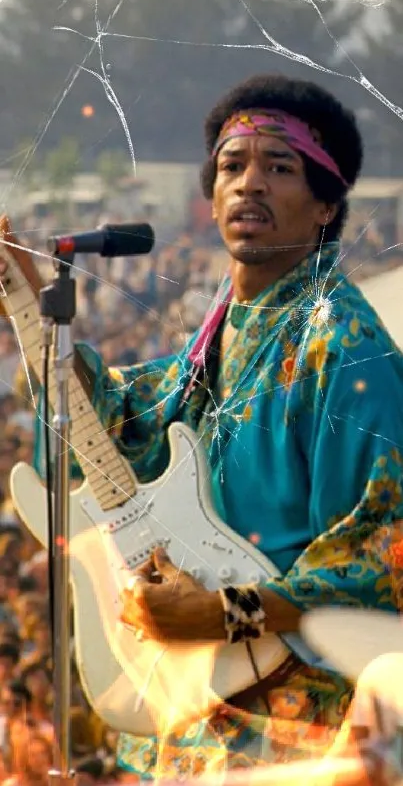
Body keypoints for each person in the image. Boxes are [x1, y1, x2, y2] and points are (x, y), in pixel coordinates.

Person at [2, 73, 403, 778]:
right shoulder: (223, 327)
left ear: (324, 204)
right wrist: (39, 323)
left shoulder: (343, 348)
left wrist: (229, 613)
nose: (248, 183)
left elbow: (385, 553)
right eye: (231, 165)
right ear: (209, 195)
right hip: (187, 714)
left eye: (278, 167)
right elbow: (132, 425)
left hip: (292, 733)